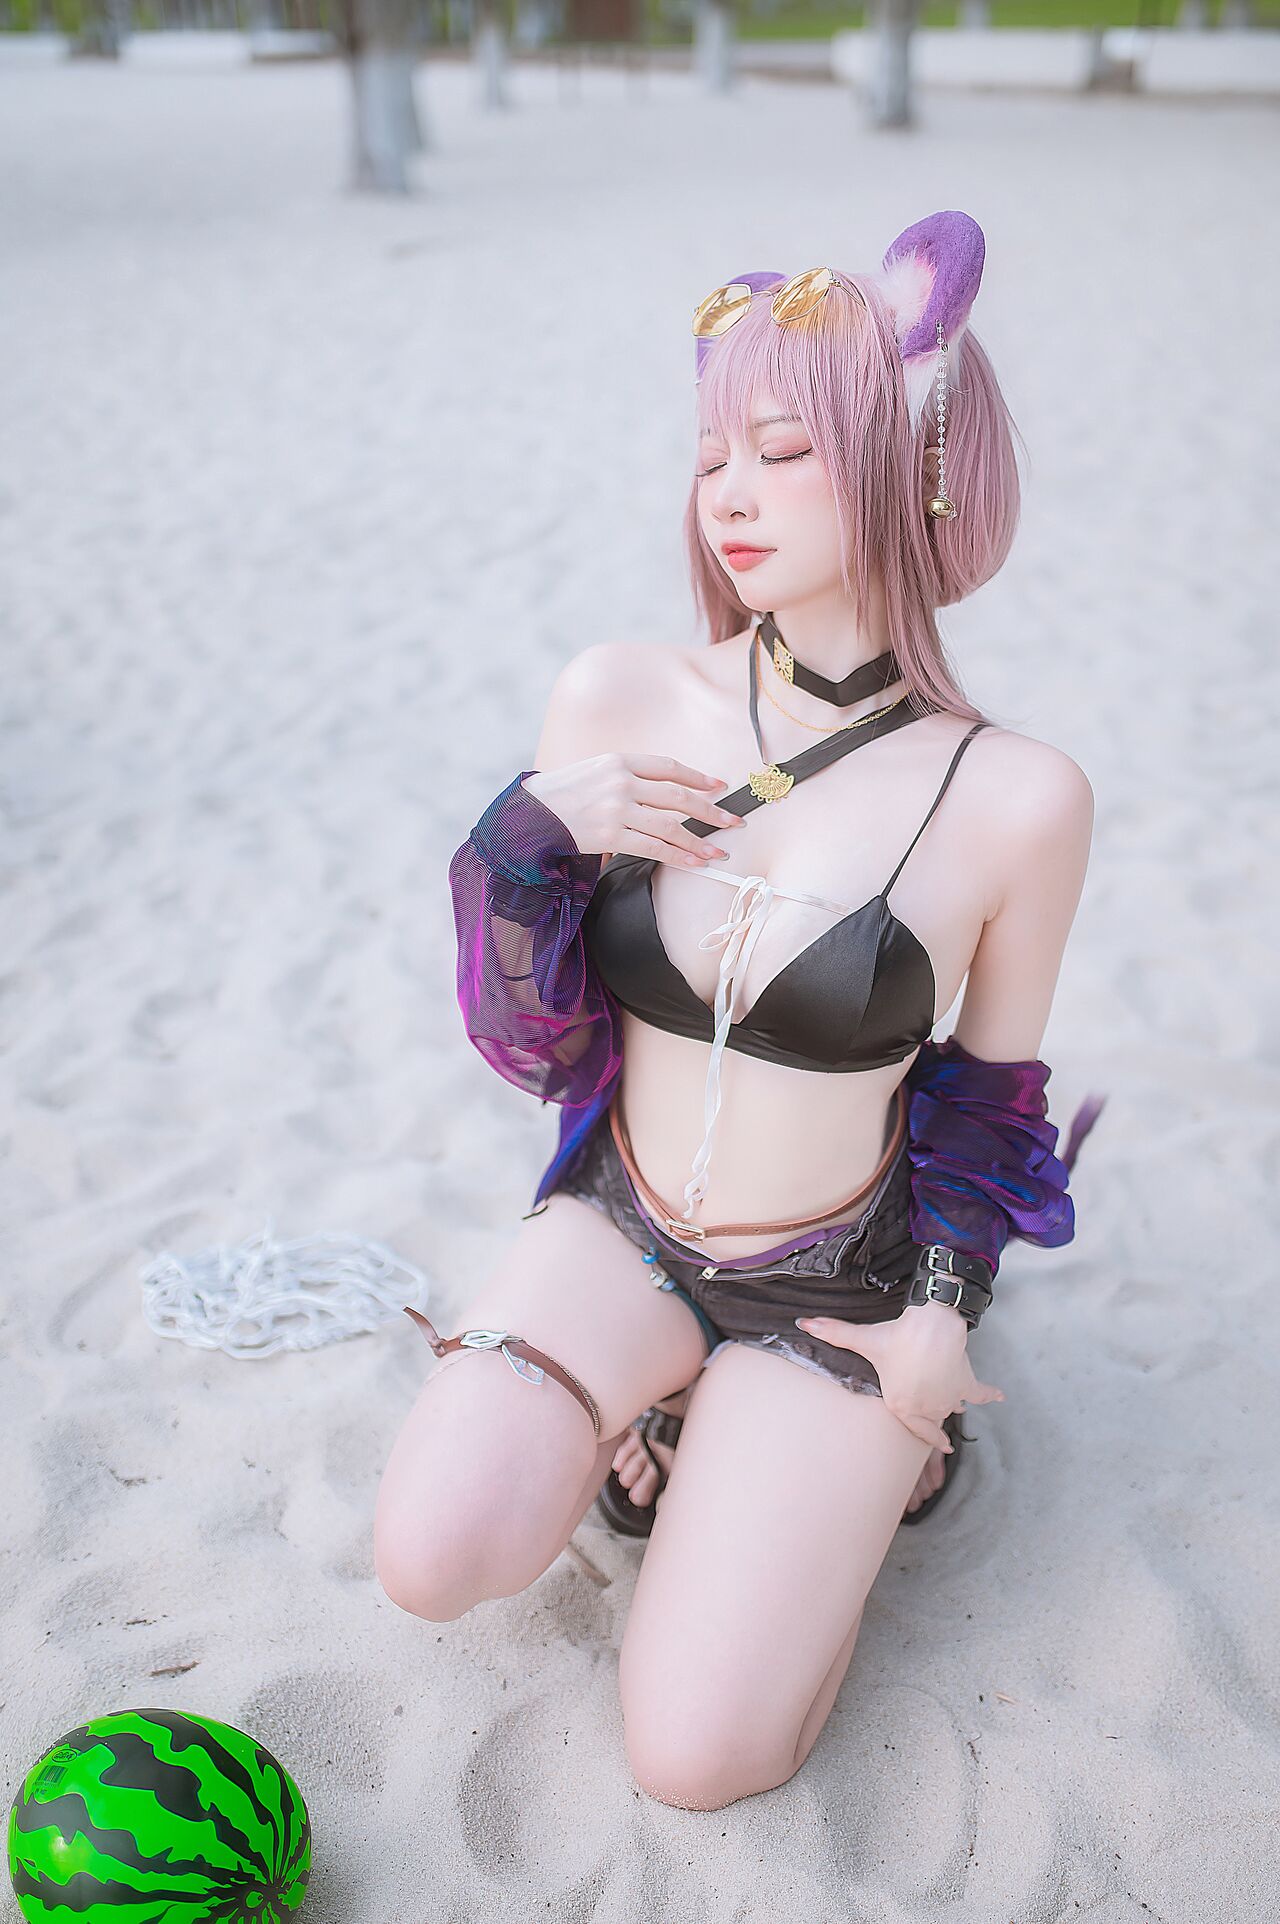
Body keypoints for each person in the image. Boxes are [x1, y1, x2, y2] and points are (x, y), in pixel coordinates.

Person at [374, 210, 1105, 1813]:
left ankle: (844, 1462)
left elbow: (993, 1098)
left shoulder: (1019, 796)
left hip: (838, 1278)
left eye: (781, 451)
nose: (730, 493)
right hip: (621, 1224)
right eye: (713, 454)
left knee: (701, 1760)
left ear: (917, 473)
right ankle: (667, 1399)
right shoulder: (621, 695)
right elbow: (530, 1042)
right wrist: (527, 837)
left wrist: (937, 1321)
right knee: (432, 1558)